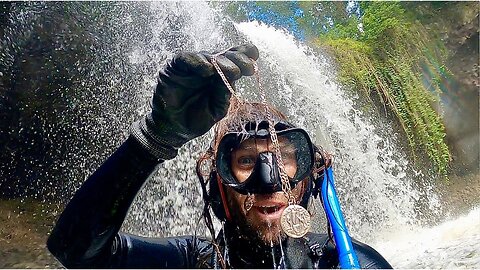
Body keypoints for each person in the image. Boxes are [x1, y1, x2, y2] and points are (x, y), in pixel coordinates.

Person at [47, 44, 392, 269]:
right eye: (245, 162)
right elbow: (74, 251)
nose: (268, 181)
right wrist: (153, 139)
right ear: (218, 184)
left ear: (308, 175)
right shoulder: (192, 261)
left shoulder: (347, 261)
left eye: (283, 157)